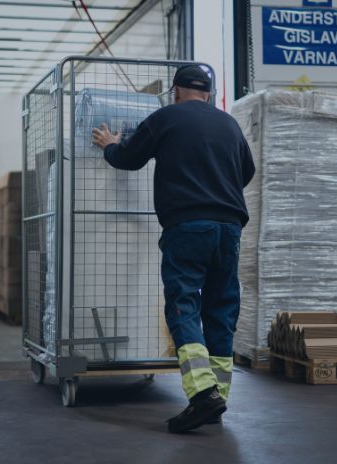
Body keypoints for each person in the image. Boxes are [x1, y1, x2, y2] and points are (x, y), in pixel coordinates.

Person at [91, 65, 255, 434]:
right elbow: (246, 171)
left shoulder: (165, 117)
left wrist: (110, 145)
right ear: (207, 94)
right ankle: (217, 397)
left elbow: (129, 158)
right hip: (229, 228)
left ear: (176, 91)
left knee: (183, 304)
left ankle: (202, 395)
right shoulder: (229, 125)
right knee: (221, 310)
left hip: (188, 225)